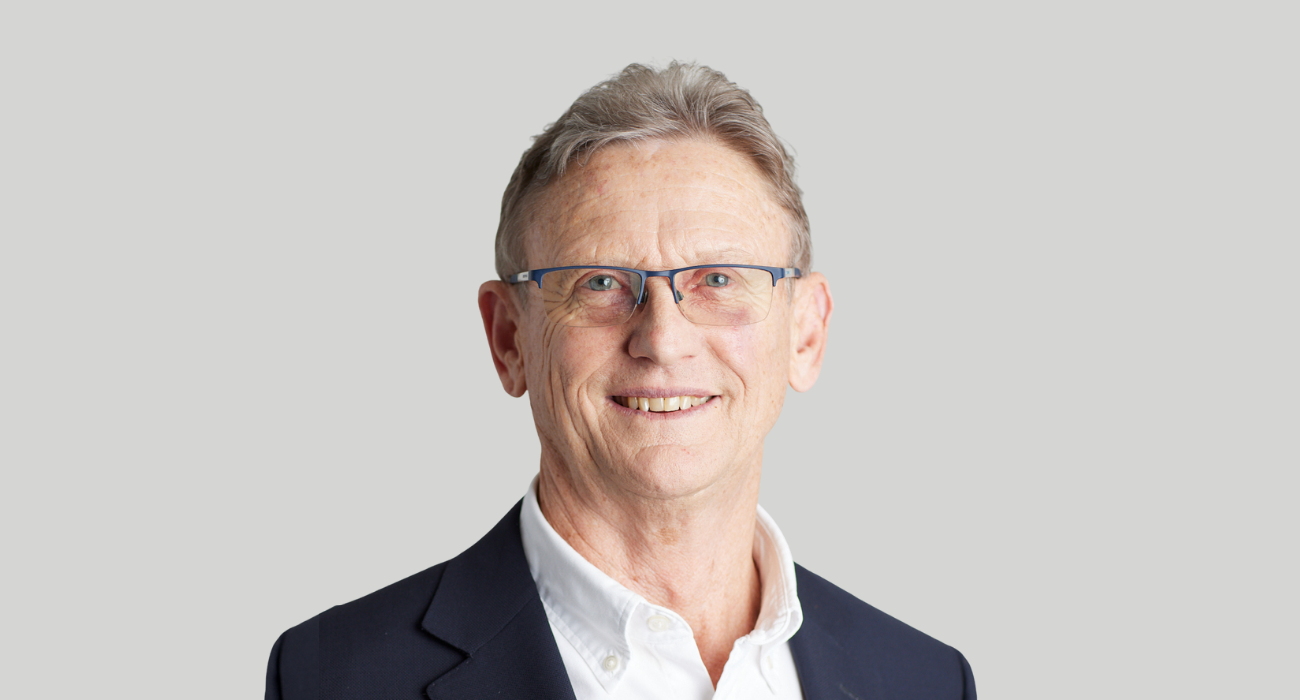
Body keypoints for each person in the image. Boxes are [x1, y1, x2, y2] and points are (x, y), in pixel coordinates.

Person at [265, 62, 976, 700]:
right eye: (600, 283)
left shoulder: (925, 683)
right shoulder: (334, 681)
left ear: (806, 333)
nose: (662, 339)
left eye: (719, 280)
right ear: (509, 339)